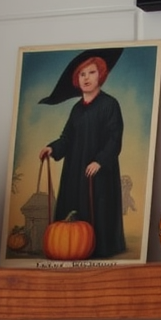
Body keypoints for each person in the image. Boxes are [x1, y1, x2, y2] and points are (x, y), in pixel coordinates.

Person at [40, 51, 127, 258]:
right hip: (75, 169)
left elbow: (114, 138)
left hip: (99, 171)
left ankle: (101, 247)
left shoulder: (110, 105)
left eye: (91, 72)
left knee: (98, 206)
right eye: (82, 74)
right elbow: (67, 137)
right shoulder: (76, 110)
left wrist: (100, 161)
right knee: (72, 210)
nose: (86, 78)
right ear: (76, 80)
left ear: (101, 76)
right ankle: (71, 247)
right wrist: (53, 148)